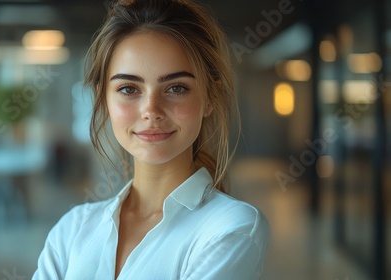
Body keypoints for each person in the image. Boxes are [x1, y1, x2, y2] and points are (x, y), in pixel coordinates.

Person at [33, 0, 269, 279]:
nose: (151, 111)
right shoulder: (71, 230)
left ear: (210, 98)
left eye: (176, 88)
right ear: (103, 98)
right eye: (129, 88)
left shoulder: (230, 229)